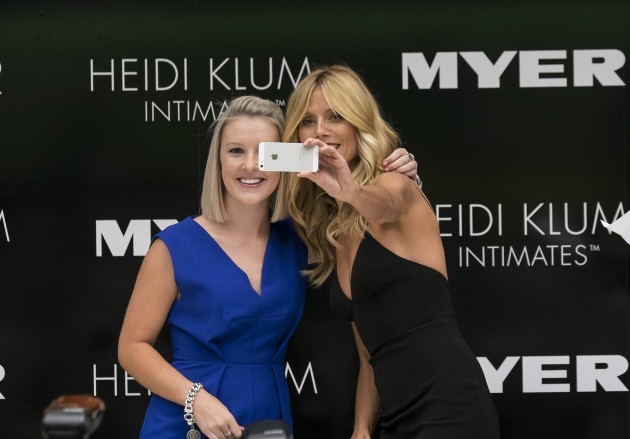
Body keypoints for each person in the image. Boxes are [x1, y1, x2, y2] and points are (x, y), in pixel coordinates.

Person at [118, 95, 419, 439]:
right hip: (187, 424)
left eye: (264, 153)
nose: (250, 165)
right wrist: (195, 399)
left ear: (284, 160)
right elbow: (132, 348)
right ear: (218, 161)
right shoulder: (175, 246)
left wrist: (401, 179)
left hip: (268, 421)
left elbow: (375, 221)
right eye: (236, 151)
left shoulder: (300, 240)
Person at [283, 65, 500, 438]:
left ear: (358, 122)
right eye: (307, 121)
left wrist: (352, 192)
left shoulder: (396, 183)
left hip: (449, 405)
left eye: (335, 116)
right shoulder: (337, 233)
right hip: (395, 418)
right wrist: (361, 429)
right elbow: (370, 357)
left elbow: (385, 206)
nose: (320, 130)